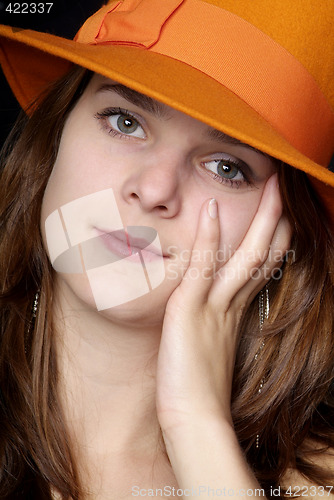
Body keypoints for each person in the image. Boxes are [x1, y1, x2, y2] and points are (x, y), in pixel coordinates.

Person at [0, 0, 333, 498]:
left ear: (281, 230)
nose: (154, 190)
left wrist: (197, 423)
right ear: (54, 140)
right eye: (125, 121)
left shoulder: (315, 483)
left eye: (226, 167)